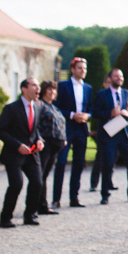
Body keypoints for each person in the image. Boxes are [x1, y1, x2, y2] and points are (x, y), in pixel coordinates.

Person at [0, 78, 45, 228]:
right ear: (24, 89)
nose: (38, 88)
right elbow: (0, 130)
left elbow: (35, 130)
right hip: (14, 153)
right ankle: (5, 218)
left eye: (38, 86)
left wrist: (39, 141)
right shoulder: (11, 108)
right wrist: (17, 145)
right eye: (34, 85)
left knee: (37, 182)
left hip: (31, 153)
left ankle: (30, 215)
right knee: (16, 184)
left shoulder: (37, 107)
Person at [93, 69, 128, 205]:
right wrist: (110, 113)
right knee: (107, 164)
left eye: (121, 76)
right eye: (116, 76)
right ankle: (105, 195)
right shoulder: (102, 94)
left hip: (125, 134)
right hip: (109, 134)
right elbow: (95, 112)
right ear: (109, 79)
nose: (119, 78)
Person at [53, 57, 93, 208]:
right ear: (72, 69)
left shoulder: (88, 88)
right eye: (80, 68)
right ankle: (56, 199)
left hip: (81, 129)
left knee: (78, 164)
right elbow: (56, 107)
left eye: (84, 68)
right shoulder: (63, 85)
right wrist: (71, 115)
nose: (83, 71)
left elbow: (90, 108)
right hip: (66, 128)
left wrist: (87, 115)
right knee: (61, 163)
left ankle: (74, 197)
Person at [36, 81, 66, 216]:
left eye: (54, 90)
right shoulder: (40, 105)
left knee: (44, 175)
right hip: (45, 145)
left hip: (55, 146)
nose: (52, 92)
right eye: (49, 89)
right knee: (40, 175)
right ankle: (38, 205)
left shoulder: (53, 107)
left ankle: (42, 204)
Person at [89, 74, 113, 193]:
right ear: (104, 84)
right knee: (100, 158)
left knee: (113, 158)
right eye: (108, 83)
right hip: (103, 131)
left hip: (115, 130)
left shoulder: (116, 95)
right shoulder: (101, 95)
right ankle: (94, 183)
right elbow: (95, 113)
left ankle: (109, 181)